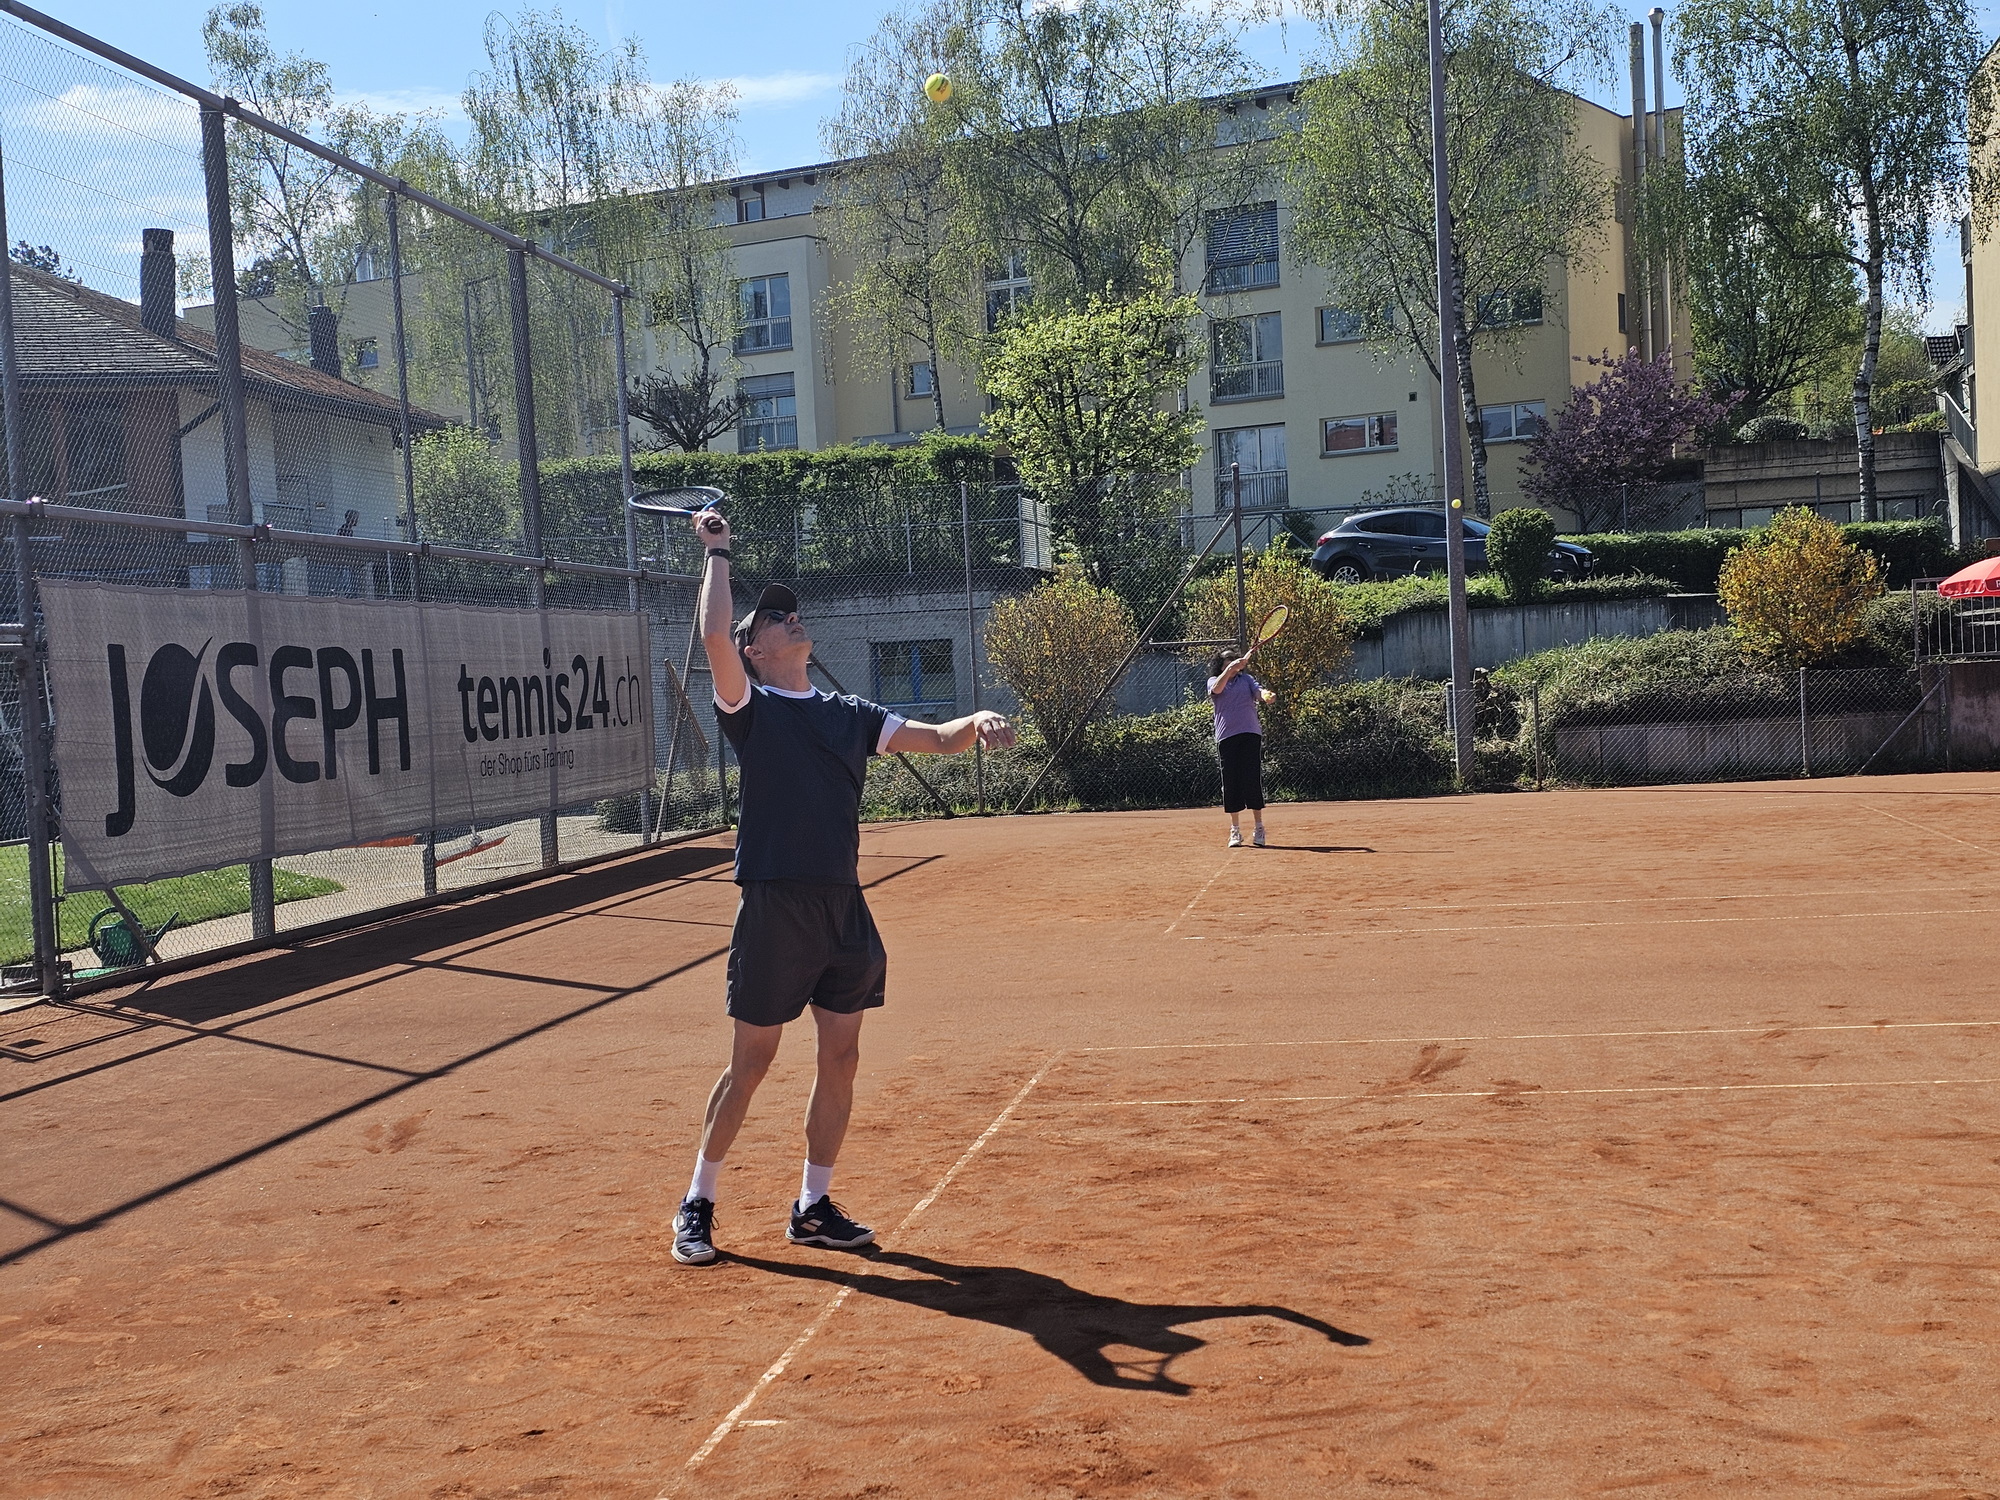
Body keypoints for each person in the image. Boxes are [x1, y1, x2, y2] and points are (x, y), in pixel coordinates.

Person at [673, 510, 1016, 1267]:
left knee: (842, 1055)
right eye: (775, 618)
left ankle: (812, 1206)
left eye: (792, 613)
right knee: (752, 1062)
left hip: (841, 905)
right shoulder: (750, 708)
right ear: (756, 651)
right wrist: (718, 551)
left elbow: (938, 738)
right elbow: (712, 636)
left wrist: (979, 717)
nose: (792, 618)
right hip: (775, 902)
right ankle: (698, 1200)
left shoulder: (850, 715)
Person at [1207, 648, 1272, 848]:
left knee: (1252, 779)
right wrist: (1229, 671)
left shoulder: (1247, 680)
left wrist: (1265, 695)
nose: (1232, 663)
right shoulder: (1214, 681)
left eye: (1234, 660)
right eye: (1228, 661)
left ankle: (1259, 828)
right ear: (1221, 665)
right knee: (1231, 783)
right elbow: (1217, 690)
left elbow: (1258, 691)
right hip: (1226, 737)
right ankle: (1235, 831)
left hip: (1250, 733)